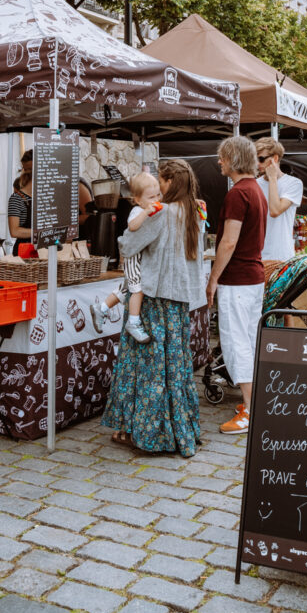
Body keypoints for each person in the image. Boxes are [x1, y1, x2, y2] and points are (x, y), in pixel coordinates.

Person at [101, 159, 205, 457]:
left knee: (149, 367)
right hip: (180, 299)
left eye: (161, 180)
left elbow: (128, 245)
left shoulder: (161, 212)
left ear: (170, 182)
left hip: (155, 296)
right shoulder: (196, 210)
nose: (158, 186)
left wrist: (132, 228)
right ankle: (180, 427)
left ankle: (150, 431)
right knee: (176, 365)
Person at [206, 136, 267, 434]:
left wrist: (213, 278)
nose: (219, 161)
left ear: (234, 159)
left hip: (238, 280)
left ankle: (249, 410)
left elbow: (229, 242)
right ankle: (252, 402)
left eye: (223, 157)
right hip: (252, 278)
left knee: (236, 343)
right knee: (248, 341)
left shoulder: (237, 194)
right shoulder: (255, 190)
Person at [90, 172, 162, 344]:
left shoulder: (151, 208)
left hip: (142, 257)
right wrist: (145, 212)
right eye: (151, 196)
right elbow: (132, 225)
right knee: (138, 288)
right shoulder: (137, 211)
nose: (156, 199)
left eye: (158, 195)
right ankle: (133, 322)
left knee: (126, 289)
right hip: (133, 257)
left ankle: (102, 307)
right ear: (137, 200)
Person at [254, 138, 303, 262]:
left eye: (260, 159)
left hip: (282, 255)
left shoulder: (294, 183)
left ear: (275, 159)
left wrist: (273, 179)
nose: (257, 164)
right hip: (257, 255)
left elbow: (275, 211)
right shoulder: (254, 184)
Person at [8, 155, 32, 256]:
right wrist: (41, 234)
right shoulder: (17, 198)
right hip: (24, 252)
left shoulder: (46, 197)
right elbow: (14, 231)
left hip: (45, 251)